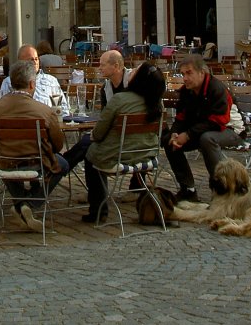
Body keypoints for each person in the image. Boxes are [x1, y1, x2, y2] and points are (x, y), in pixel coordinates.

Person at [0, 58, 68, 232]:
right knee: (62, 163)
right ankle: (29, 204)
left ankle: (22, 205)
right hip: (35, 163)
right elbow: (58, 144)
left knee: (7, 159)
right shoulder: (44, 111)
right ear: (32, 84)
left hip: (5, 163)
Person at [82, 60, 166, 223]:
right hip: (146, 156)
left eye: (135, 70)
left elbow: (98, 133)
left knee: (89, 153)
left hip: (117, 157)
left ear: (139, 78)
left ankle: (98, 210)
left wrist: (94, 137)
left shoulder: (120, 99)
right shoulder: (157, 103)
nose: (131, 71)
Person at [164, 53, 242, 202]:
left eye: (189, 73)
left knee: (207, 139)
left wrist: (187, 135)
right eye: (182, 74)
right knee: (169, 142)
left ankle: (221, 188)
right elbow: (181, 118)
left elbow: (218, 121)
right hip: (202, 131)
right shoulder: (186, 91)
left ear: (202, 73)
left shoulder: (216, 88)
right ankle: (188, 189)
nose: (185, 78)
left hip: (231, 129)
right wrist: (175, 133)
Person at [0, 44, 69, 116]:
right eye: (31, 59)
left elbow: (63, 108)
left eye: (36, 59)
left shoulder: (51, 81)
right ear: (20, 61)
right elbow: (3, 108)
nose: (35, 62)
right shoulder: (9, 81)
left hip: (46, 123)